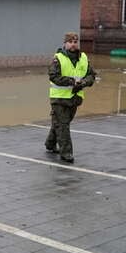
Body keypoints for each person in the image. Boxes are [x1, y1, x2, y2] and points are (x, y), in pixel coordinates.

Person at [45, 32, 96, 163]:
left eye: (75, 42)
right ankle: (66, 153)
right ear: (65, 43)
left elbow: (91, 75)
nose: (73, 45)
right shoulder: (58, 58)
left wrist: (84, 82)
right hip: (59, 99)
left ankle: (50, 144)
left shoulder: (83, 57)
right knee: (63, 125)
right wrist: (71, 81)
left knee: (60, 122)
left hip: (75, 98)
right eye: (70, 42)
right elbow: (53, 76)